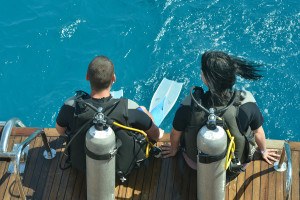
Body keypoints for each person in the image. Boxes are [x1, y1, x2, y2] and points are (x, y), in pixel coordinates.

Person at [161, 50, 280, 178]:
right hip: (236, 164)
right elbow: (258, 132)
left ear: (207, 80)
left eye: (203, 71)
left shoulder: (189, 105)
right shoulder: (246, 104)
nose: (201, 72)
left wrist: (174, 150)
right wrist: (263, 151)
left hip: (195, 164)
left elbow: (175, 133)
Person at [56, 55, 163, 179]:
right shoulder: (129, 107)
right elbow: (154, 134)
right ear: (114, 78)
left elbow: (60, 130)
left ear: (87, 77)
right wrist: (147, 117)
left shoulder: (71, 105)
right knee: (143, 111)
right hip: (121, 169)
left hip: (82, 167)